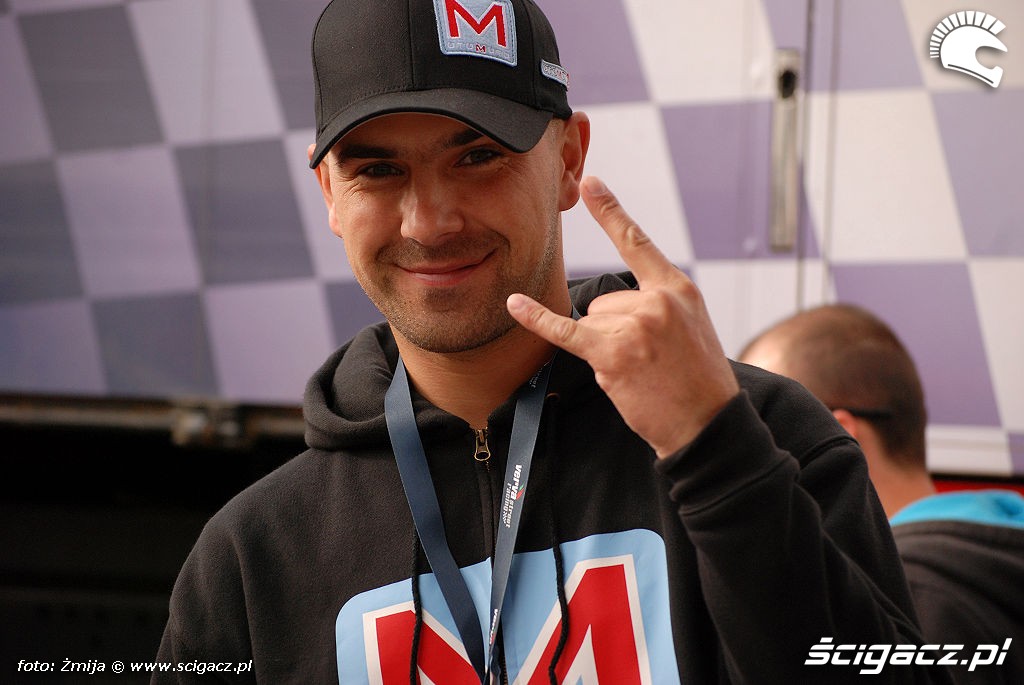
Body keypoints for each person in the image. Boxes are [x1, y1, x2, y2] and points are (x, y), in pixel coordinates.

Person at [155, 1, 950, 682]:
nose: (429, 221)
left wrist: (714, 450)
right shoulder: (253, 556)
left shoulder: (764, 435)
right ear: (329, 190)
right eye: (378, 171)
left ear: (569, 159)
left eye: (478, 156)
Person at [739, 303, 1024, 683]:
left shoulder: (907, 601)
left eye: (762, 428)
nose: (746, 457)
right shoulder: (996, 543)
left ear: (836, 432)